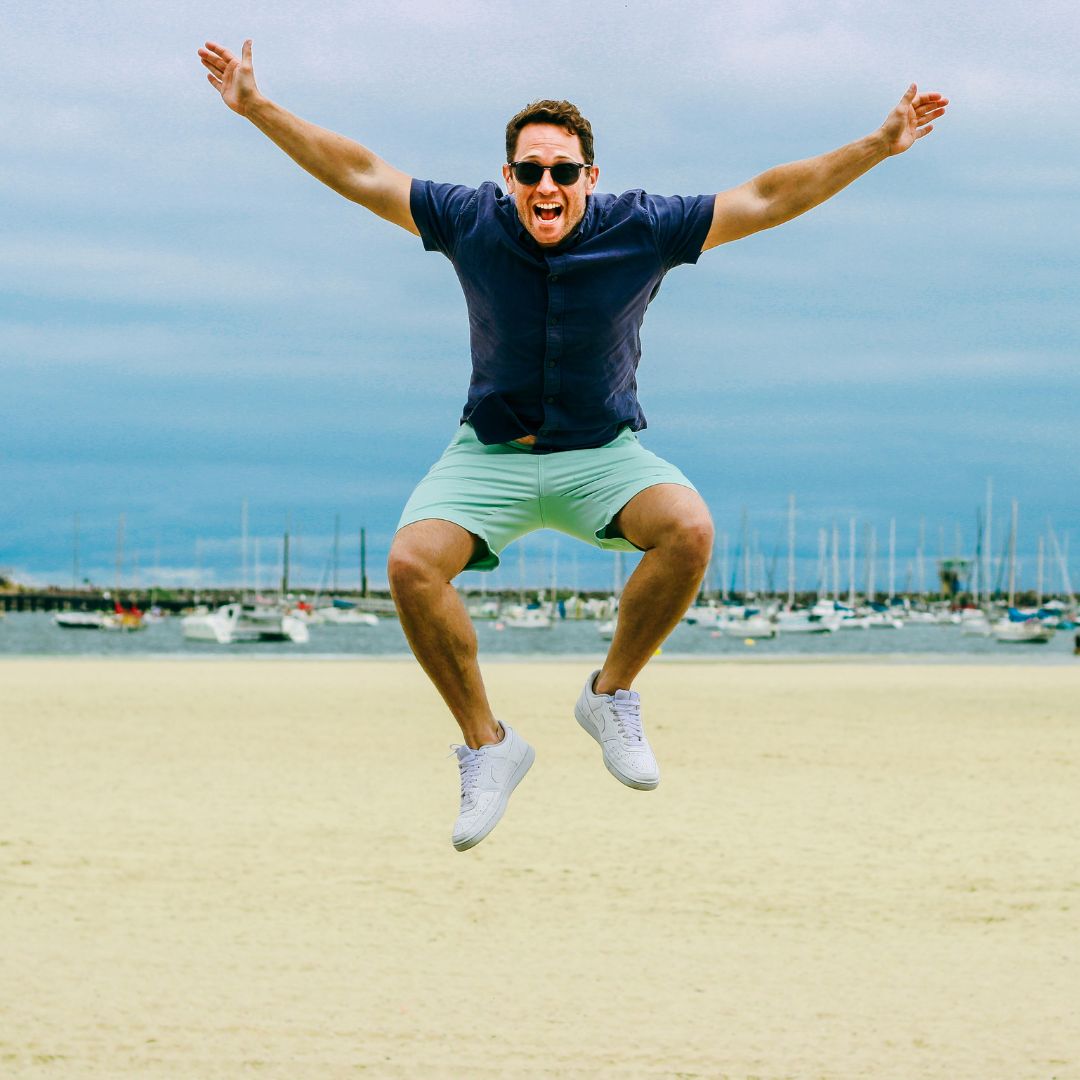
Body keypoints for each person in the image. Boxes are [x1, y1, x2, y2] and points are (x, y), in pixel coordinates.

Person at [199, 40, 948, 850]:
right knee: (412, 565)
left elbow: (767, 197)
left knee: (688, 529)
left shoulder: (647, 226)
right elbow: (363, 174)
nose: (545, 185)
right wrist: (258, 107)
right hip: (490, 453)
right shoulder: (468, 219)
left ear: (591, 177)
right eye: (529, 171)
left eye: (562, 171)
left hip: (603, 453)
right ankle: (489, 747)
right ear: (509, 179)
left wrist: (878, 144)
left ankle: (610, 695)